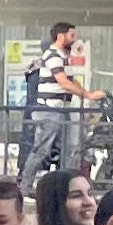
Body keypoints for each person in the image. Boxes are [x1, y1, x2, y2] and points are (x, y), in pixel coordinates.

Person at [20, 20, 86, 187]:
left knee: (66, 150)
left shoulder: (54, 64)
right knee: (42, 150)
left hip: (60, 111)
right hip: (48, 111)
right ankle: (26, 185)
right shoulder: (46, 66)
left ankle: (62, 185)